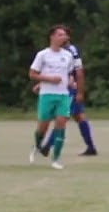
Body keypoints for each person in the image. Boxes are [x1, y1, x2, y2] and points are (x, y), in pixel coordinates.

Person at [28, 25, 78, 170]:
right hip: (47, 95)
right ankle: (37, 145)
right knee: (42, 128)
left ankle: (56, 159)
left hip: (63, 95)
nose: (64, 37)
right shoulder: (43, 55)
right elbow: (32, 74)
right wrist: (48, 79)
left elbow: (69, 73)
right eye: (60, 35)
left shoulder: (68, 55)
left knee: (61, 124)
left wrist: (71, 81)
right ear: (52, 37)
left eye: (65, 35)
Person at [42, 29, 97, 157]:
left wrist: (79, 92)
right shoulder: (62, 51)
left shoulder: (71, 51)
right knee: (78, 116)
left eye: (63, 35)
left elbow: (79, 72)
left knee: (63, 117)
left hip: (69, 89)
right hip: (66, 88)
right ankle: (91, 147)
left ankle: (47, 146)